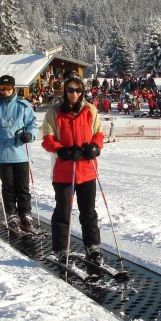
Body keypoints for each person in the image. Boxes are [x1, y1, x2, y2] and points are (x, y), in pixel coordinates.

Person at [41, 74, 104, 265]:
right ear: (65, 91)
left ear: (82, 91)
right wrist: (63, 151)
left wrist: (95, 147)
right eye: (70, 90)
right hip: (64, 171)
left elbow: (98, 133)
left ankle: (92, 247)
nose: (74, 94)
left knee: (88, 211)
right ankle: (61, 248)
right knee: (63, 210)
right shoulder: (54, 112)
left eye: (78, 90)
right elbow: (47, 139)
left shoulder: (90, 110)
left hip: (87, 170)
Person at [0, 75, 38, 232]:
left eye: (7, 89)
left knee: (23, 186)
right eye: (2, 89)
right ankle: (12, 215)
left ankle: (25, 214)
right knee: (8, 187)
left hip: (21, 153)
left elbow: (33, 124)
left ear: (13, 89)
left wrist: (30, 134)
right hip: (3, 153)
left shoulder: (23, 106)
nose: (4, 91)